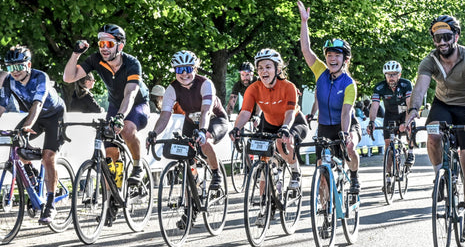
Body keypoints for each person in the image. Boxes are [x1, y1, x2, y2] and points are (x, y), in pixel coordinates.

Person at [405, 15, 465, 241]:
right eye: (437, 38)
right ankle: (439, 174)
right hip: (442, 106)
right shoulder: (429, 60)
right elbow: (420, 89)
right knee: (432, 133)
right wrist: (412, 113)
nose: (442, 42)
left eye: (447, 37)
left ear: (456, 36)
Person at [63, 24, 150, 185]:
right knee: (109, 151)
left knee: (127, 129)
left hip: (137, 104)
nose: (104, 48)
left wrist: (120, 117)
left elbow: (130, 94)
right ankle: (113, 197)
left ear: (120, 46)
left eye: (108, 44)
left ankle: (138, 167)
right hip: (115, 104)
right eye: (101, 44)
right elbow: (68, 78)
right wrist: (75, 54)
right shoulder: (96, 59)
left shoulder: (132, 63)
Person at [297, 1, 361, 193]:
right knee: (322, 171)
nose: (332, 59)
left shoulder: (349, 83)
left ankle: (354, 177)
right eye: (329, 55)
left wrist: (345, 133)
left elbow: (346, 112)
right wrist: (304, 22)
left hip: (346, 125)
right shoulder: (321, 73)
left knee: (349, 147)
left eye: (337, 56)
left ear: (345, 60)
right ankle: (324, 212)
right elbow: (306, 50)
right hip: (324, 128)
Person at [0, 46, 66, 223]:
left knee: (48, 156)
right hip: (33, 115)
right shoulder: (9, 81)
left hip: (53, 115)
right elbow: (1, 106)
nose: (14, 71)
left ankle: (51, 204)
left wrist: (27, 126)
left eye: (18, 66)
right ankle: (32, 176)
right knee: (17, 144)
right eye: (10, 67)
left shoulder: (40, 77)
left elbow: (37, 105)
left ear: (28, 65)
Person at [147, 51, 229, 189]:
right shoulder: (172, 88)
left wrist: (203, 131)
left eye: (188, 69)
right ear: (175, 71)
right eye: (179, 69)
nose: (184, 73)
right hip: (191, 122)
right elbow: (165, 115)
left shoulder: (205, 84)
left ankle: (216, 174)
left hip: (214, 119)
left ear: (195, 69)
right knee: (184, 151)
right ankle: (193, 181)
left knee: (205, 142)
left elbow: (206, 111)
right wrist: (154, 133)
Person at [229, 48, 308, 189]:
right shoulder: (253, 88)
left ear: (277, 69)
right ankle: (263, 206)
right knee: (262, 156)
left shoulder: (288, 87)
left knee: (281, 141)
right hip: (269, 123)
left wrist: (285, 128)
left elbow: (289, 112)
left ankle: (295, 171)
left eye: (268, 67)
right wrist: (236, 128)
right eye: (260, 68)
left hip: (293, 122)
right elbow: (245, 112)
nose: (263, 71)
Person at [366, 60, 415, 169]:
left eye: (394, 74)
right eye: (388, 74)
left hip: (404, 112)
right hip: (390, 114)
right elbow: (374, 106)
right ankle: (388, 177)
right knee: (388, 144)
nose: (391, 77)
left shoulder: (406, 84)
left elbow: (409, 104)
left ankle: (410, 152)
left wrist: (406, 122)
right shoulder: (380, 87)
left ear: (399, 75)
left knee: (410, 127)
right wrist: (372, 121)